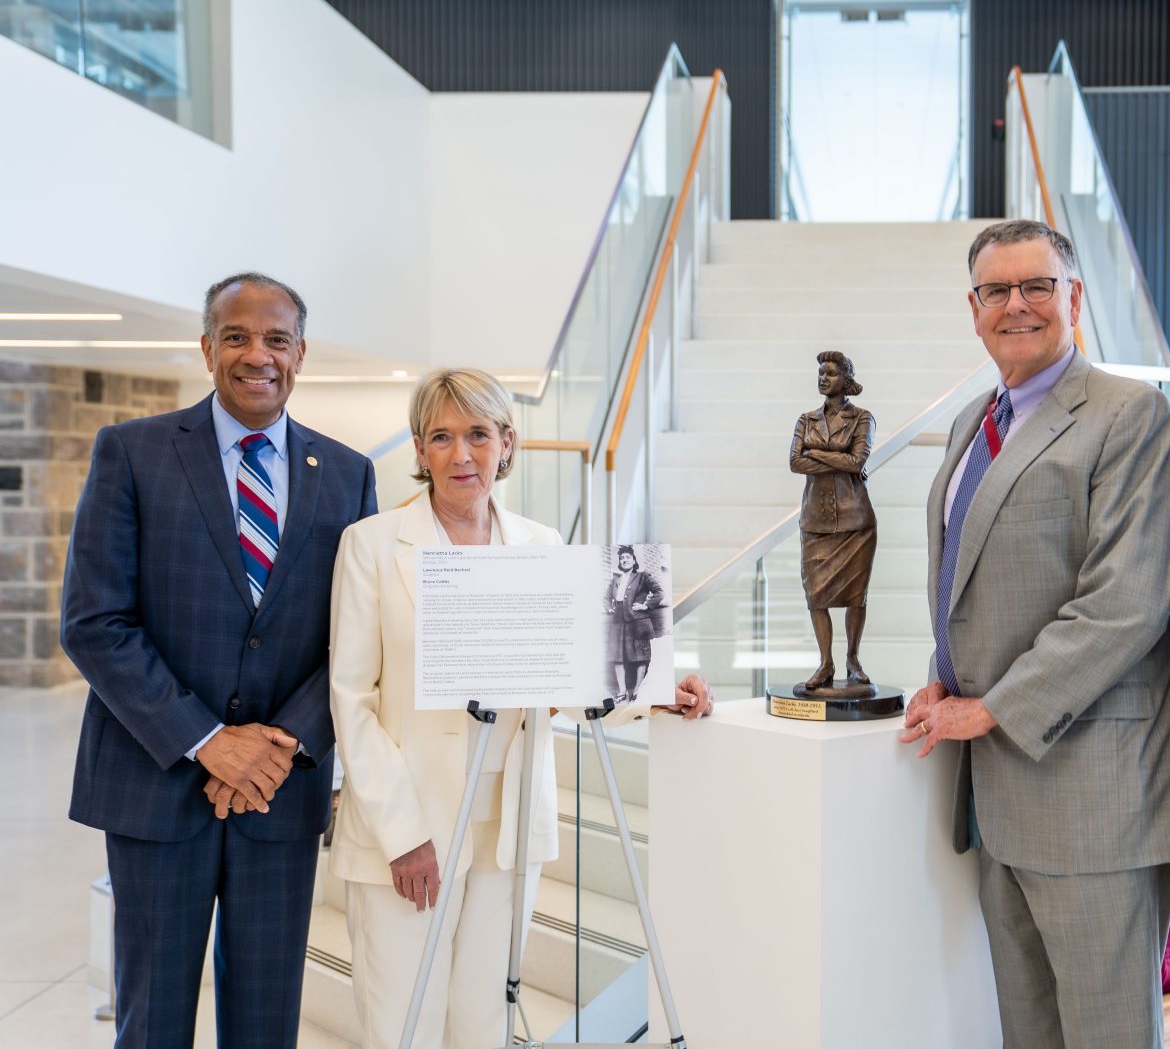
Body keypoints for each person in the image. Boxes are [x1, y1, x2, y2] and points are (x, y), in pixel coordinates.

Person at [328, 367, 713, 1049]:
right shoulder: (371, 544)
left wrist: (657, 691)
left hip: (505, 833)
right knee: (402, 1027)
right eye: (441, 437)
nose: (461, 454)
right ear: (418, 450)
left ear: (507, 442)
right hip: (408, 834)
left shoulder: (541, 546)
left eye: (478, 434)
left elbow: (568, 677)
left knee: (482, 1023)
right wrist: (402, 833)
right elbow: (352, 703)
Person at [59, 273, 378, 1047]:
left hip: (279, 792)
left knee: (267, 1022)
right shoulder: (131, 453)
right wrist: (211, 741)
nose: (256, 354)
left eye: (276, 339)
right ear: (207, 348)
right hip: (156, 781)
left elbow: (358, 636)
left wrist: (279, 745)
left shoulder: (346, 473)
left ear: (300, 353)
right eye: (236, 335)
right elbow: (94, 622)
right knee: (153, 1018)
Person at [900, 219, 1170, 1047]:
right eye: (997, 289)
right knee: (1028, 1032)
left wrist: (989, 707)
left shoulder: (1128, 415)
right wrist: (943, 678)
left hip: (1094, 795)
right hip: (998, 796)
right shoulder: (971, 424)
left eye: (1037, 286)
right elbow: (970, 583)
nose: (1016, 304)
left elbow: (1124, 605)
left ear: (1074, 298)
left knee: (1107, 1034)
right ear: (973, 307)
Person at [789, 350, 877, 689]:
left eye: (830, 374)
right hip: (816, 520)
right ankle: (825, 664)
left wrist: (817, 453)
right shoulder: (805, 420)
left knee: (856, 595)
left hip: (855, 521)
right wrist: (836, 457)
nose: (823, 378)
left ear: (846, 381)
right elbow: (795, 463)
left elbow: (856, 462)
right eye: (820, 373)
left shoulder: (863, 418)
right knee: (816, 594)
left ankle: (853, 659)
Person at [603, 544, 664, 703]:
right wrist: (609, 608)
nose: (624, 560)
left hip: (637, 622)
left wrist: (646, 605)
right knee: (617, 658)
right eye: (622, 558)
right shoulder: (615, 579)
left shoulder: (642, 576)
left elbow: (659, 592)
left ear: (633, 560)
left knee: (639, 658)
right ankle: (622, 692)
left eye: (627, 557)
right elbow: (606, 598)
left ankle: (636, 691)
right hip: (618, 622)